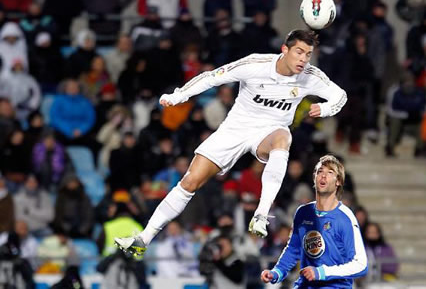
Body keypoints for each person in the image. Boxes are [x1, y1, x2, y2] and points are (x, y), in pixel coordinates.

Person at [115, 30, 348, 257]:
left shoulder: (310, 76)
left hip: (269, 132)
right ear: (284, 49)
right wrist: (178, 96)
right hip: (235, 129)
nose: (303, 59)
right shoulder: (255, 64)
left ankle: (262, 213)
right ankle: (143, 239)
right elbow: (212, 77)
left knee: (283, 137)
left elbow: (340, 96)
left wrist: (325, 108)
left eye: (308, 54)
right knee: (190, 182)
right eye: (299, 52)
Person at [260, 155, 368, 288]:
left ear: (338, 181)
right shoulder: (303, 212)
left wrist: (322, 272)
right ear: (314, 178)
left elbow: (360, 265)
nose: (323, 176)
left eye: (330, 172)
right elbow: (293, 249)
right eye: (319, 171)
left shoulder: (345, 217)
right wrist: (277, 272)